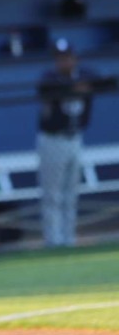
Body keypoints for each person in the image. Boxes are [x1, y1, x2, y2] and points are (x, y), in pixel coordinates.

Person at [36, 38, 99, 248]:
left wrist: (83, 86)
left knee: (71, 192)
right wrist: (74, 88)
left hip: (75, 138)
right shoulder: (50, 78)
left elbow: (103, 81)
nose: (64, 62)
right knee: (52, 193)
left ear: (75, 58)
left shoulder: (85, 75)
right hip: (53, 140)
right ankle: (53, 241)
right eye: (60, 59)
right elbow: (45, 89)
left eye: (68, 58)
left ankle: (68, 239)